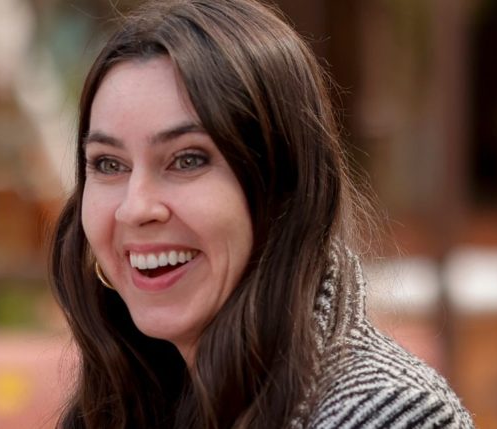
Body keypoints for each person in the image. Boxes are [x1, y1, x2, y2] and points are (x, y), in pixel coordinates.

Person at [50, 0, 474, 427]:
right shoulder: (136, 399)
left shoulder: (390, 415)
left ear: (283, 185)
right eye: (108, 164)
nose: (135, 207)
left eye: (187, 159)